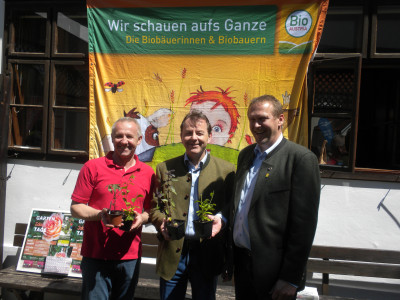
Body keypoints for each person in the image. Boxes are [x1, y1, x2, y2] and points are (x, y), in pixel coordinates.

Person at [231, 95, 320, 300]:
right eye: (252, 119)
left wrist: (291, 278)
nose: (256, 125)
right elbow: (242, 206)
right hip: (244, 267)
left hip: (275, 275)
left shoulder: (301, 159)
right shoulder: (245, 156)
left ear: (280, 119)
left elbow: (303, 227)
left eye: (262, 118)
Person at [150, 110, 235, 300]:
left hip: (207, 253)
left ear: (210, 136)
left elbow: (232, 207)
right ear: (181, 136)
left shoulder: (226, 171)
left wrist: (222, 219)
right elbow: (154, 207)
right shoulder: (165, 169)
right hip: (173, 252)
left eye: (199, 133)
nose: (193, 138)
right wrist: (162, 222)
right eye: (188, 133)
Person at [70, 117, 155, 300]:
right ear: (112, 139)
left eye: (129, 137)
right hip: (96, 255)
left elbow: (150, 210)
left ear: (139, 140)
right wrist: (100, 215)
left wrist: (142, 218)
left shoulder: (148, 173)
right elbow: (76, 208)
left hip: (130, 256)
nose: (124, 141)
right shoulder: (93, 167)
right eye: (119, 136)